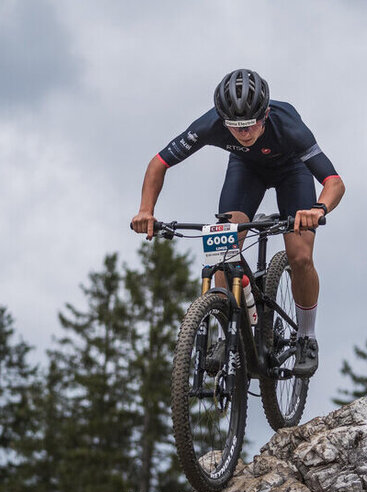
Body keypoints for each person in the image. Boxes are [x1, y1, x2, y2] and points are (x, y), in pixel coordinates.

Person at [130, 68, 345, 378]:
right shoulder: (211, 124)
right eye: (235, 127)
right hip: (246, 170)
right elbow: (159, 163)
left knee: (300, 256)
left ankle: (306, 337)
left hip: (292, 172)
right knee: (221, 248)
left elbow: (334, 182)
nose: (244, 133)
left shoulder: (288, 126)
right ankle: (225, 331)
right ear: (223, 119)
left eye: (251, 125)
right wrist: (145, 211)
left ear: (265, 114)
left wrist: (318, 209)